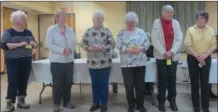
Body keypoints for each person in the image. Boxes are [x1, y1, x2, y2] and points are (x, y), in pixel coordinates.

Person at [0, 10, 38, 112]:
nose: (26, 21)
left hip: (26, 60)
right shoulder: (8, 32)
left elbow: (32, 45)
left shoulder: (28, 32)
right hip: (12, 61)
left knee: (23, 81)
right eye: (24, 19)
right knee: (13, 82)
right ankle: (10, 103)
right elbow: (4, 45)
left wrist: (33, 44)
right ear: (18, 20)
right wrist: (19, 44)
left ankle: (21, 100)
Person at [80, 10, 115, 112]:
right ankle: (96, 103)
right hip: (92, 63)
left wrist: (101, 47)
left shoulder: (107, 31)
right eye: (97, 19)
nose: (100, 21)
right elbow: (82, 43)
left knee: (104, 84)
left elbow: (113, 44)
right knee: (95, 84)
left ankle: (104, 104)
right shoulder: (88, 31)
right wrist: (89, 48)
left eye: (101, 19)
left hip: (105, 63)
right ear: (93, 20)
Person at [151, 5, 183, 112]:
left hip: (172, 56)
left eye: (171, 12)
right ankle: (161, 101)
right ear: (162, 13)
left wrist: (172, 51)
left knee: (172, 79)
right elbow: (154, 39)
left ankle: (172, 99)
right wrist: (164, 52)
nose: (169, 14)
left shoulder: (176, 23)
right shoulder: (156, 22)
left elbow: (179, 39)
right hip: (161, 56)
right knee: (162, 79)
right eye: (167, 12)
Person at [117, 12, 150, 112]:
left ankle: (140, 105)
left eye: (133, 23)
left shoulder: (141, 32)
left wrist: (141, 48)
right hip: (127, 65)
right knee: (129, 86)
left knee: (140, 86)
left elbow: (147, 43)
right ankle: (131, 105)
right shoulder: (121, 33)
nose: (131, 25)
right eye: (128, 23)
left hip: (140, 63)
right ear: (125, 23)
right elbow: (118, 45)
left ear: (136, 22)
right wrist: (128, 50)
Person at [184, 11, 217, 112]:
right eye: (198, 18)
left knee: (205, 83)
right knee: (194, 83)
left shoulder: (211, 30)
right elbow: (188, 45)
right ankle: (196, 106)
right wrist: (198, 56)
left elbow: (213, 45)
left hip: (206, 57)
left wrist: (205, 55)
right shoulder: (190, 30)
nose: (199, 20)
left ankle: (205, 106)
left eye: (202, 18)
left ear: (206, 20)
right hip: (193, 58)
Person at [46, 9, 77, 112]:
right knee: (57, 84)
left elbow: (74, 43)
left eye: (65, 16)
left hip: (69, 61)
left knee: (68, 82)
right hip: (56, 61)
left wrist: (70, 49)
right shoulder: (51, 30)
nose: (65, 18)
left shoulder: (70, 29)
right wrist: (62, 50)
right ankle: (56, 104)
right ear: (57, 18)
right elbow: (49, 45)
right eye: (62, 16)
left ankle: (67, 102)